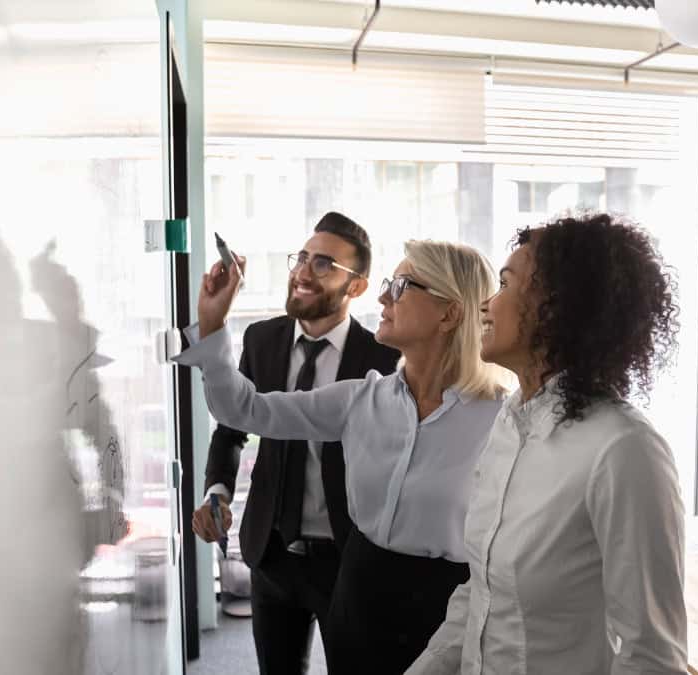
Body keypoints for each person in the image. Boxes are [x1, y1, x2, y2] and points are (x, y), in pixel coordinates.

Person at [176, 237, 508, 674]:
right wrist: (213, 322)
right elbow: (245, 410)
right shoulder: (360, 400)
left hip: (447, 606)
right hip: (359, 590)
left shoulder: (501, 419)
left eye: (403, 285)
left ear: (450, 312)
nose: (385, 296)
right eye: (389, 282)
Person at [407, 212, 688, 675]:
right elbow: (481, 594)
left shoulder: (623, 449)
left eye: (504, 284)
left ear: (557, 307)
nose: (485, 305)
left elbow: (651, 656)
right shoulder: (509, 424)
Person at [189, 212, 399, 674]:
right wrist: (217, 490)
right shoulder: (262, 338)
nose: (303, 271)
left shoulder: (384, 358)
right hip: (272, 552)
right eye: (302, 257)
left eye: (324, 264)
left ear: (357, 287)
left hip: (348, 558)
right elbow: (231, 429)